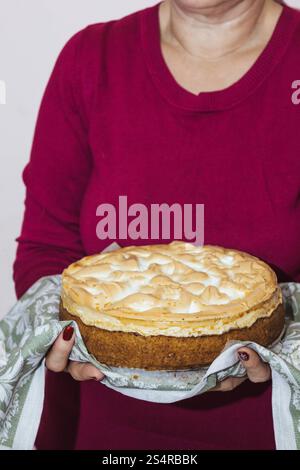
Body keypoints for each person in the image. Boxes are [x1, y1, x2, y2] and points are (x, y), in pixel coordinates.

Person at [14, 0, 300, 449]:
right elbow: (45, 247)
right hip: (108, 431)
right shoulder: (91, 58)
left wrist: (285, 351)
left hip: (269, 428)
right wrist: (56, 337)